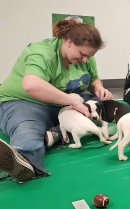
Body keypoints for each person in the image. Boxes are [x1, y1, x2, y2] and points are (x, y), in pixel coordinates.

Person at [0, 19, 112, 183]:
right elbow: (31, 85)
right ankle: (25, 159)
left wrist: (99, 88)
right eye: (82, 55)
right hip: (24, 102)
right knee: (28, 136)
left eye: (89, 56)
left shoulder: (85, 57)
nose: (85, 60)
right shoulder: (41, 52)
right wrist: (73, 102)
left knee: (105, 109)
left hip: (63, 104)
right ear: (68, 42)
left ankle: (53, 135)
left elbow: (94, 78)